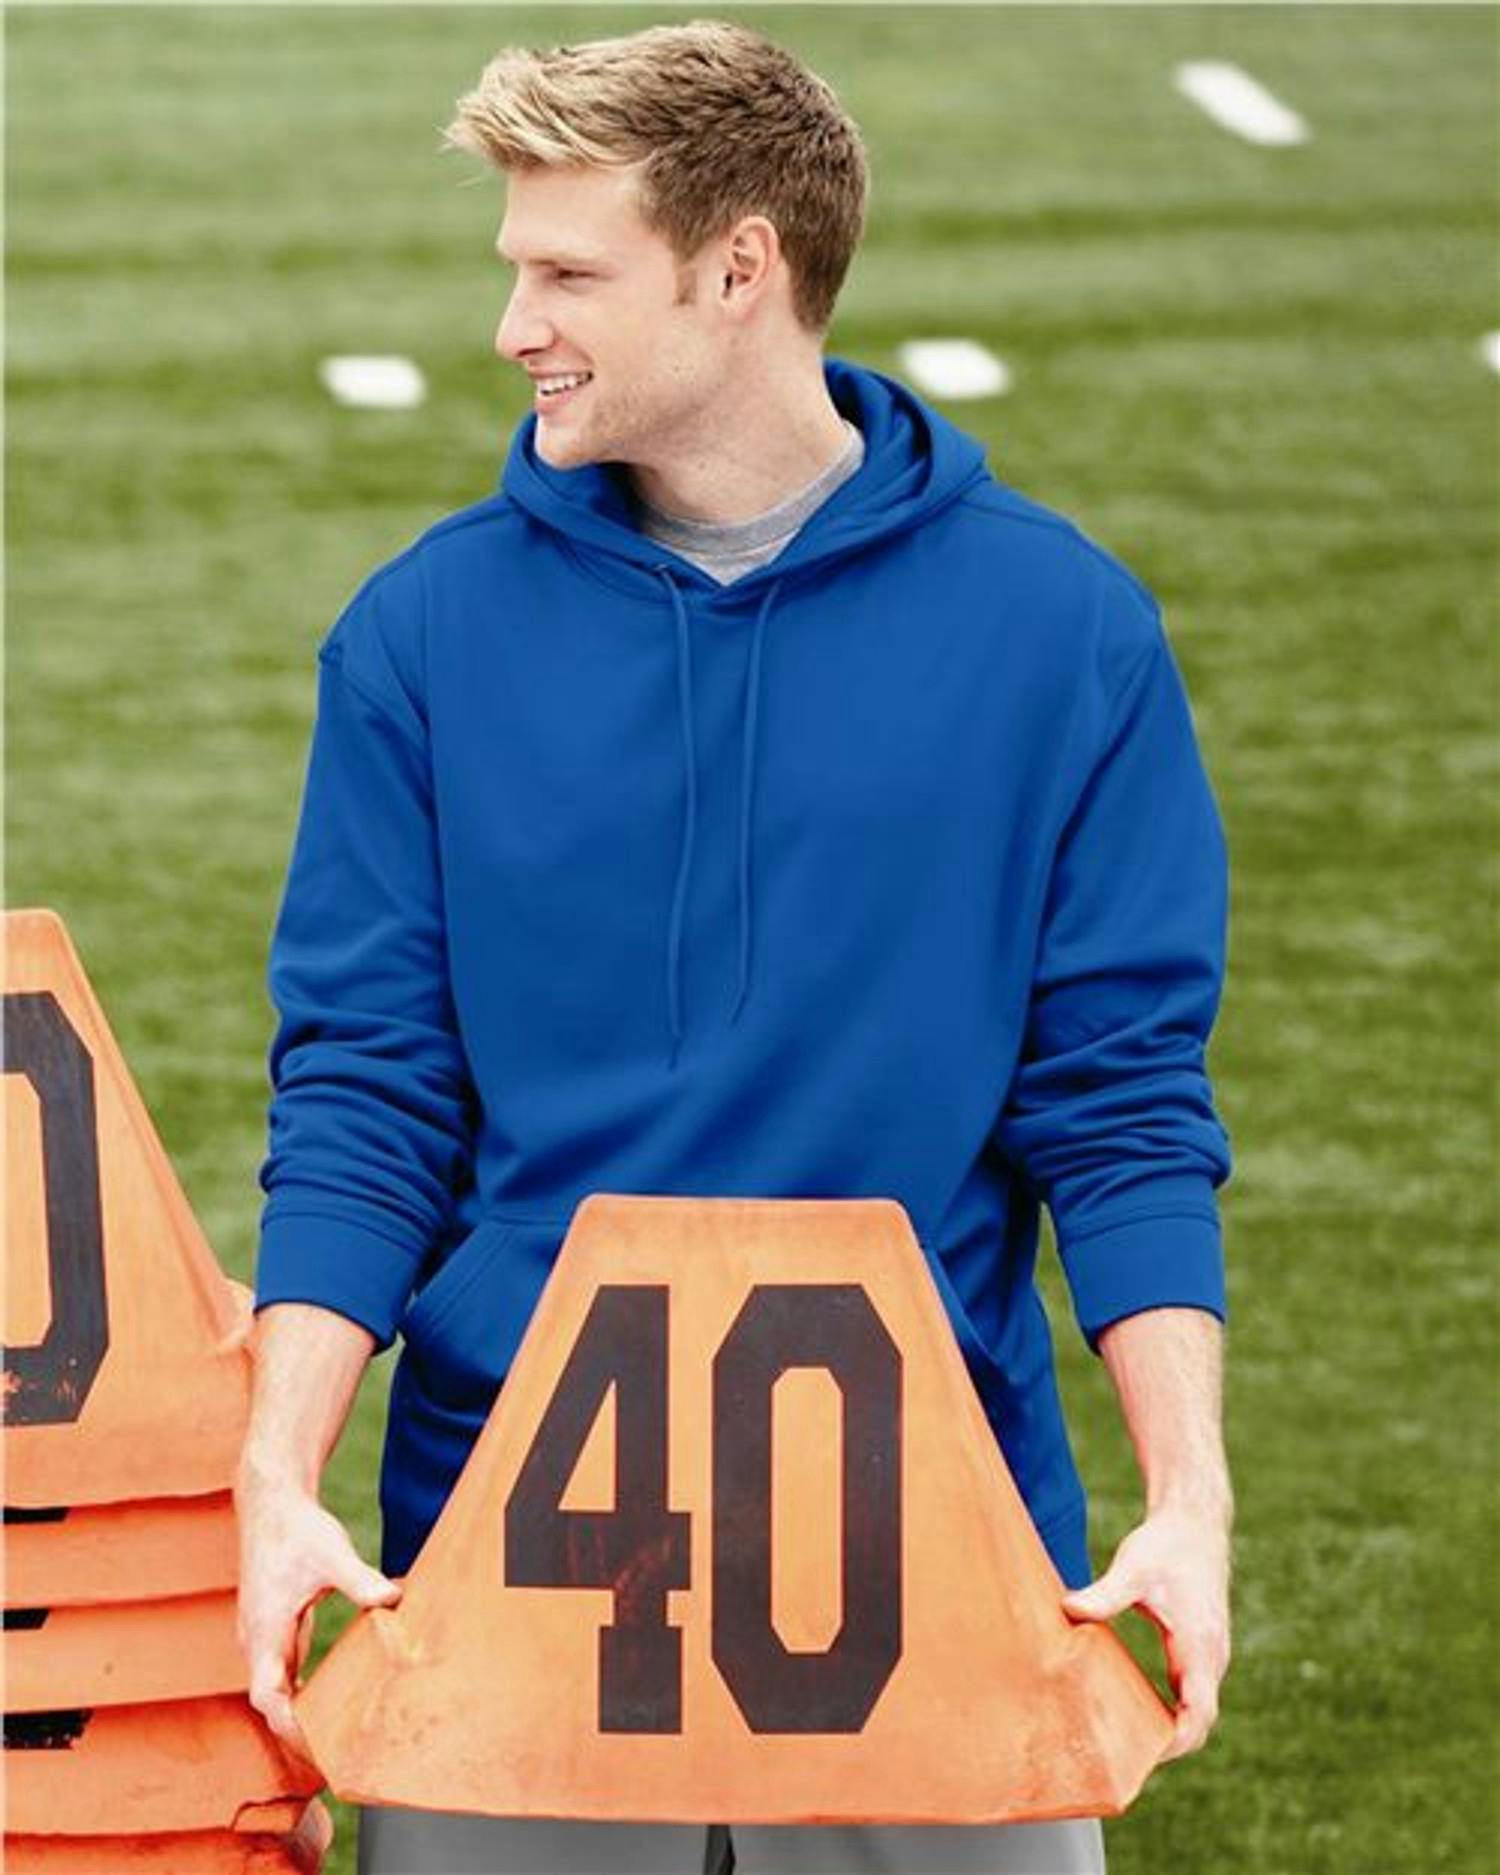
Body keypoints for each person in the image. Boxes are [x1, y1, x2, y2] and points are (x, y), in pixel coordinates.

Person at [236, 20, 1234, 1875]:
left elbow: (1120, 1115)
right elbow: (367, 1099)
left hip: (934, 1560)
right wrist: (280, 1471)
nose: (515, 324)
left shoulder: (1066, 637)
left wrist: (1190, 1496)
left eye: (566, 273)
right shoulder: (419, 637)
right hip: (506, 1566)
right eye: (513, 269)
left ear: (740, 269)